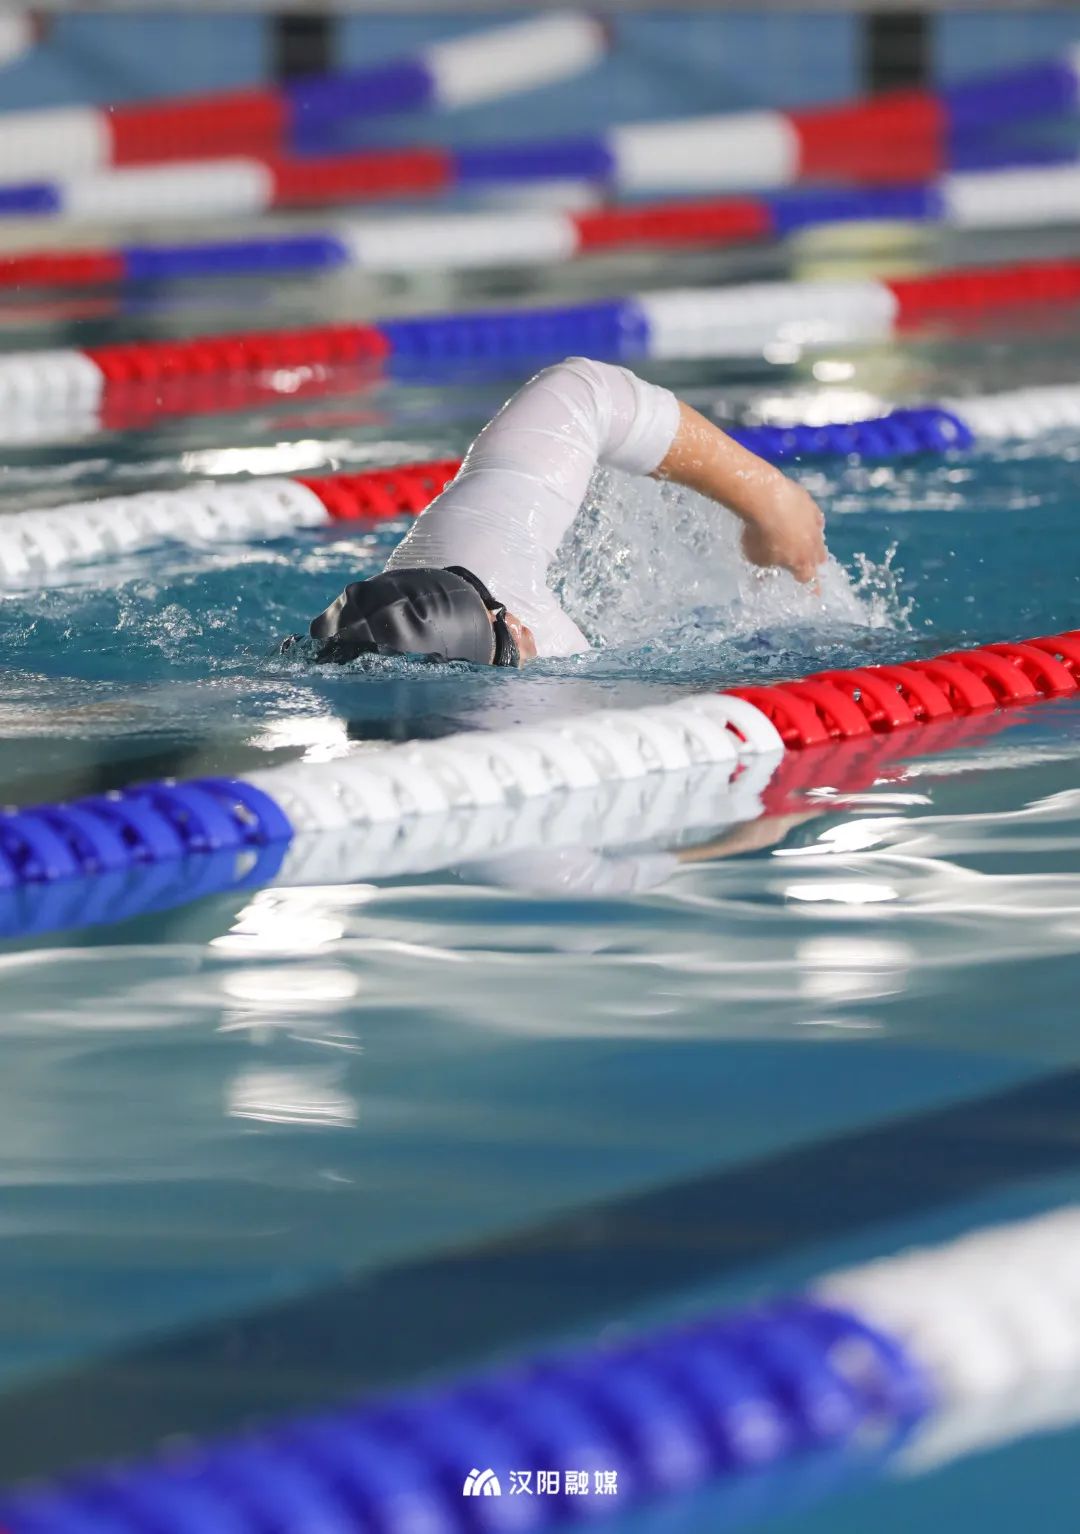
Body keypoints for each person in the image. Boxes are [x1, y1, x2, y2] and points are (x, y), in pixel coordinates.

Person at [300, 356, 827, 666]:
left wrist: (771, 501)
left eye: (477, 593)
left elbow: (582, 392)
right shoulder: (553, 726)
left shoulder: (469, 555)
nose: (514, 621)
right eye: (501, 633)